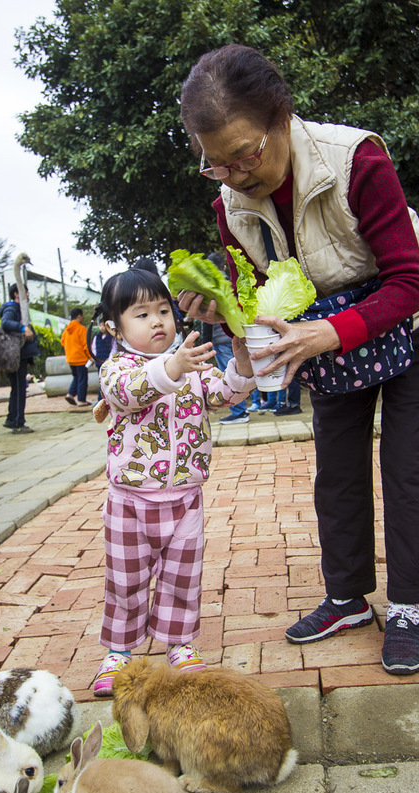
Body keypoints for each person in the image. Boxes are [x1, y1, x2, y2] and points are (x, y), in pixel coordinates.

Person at [179, 44, 419, 676]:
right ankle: (347, 598)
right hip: (326, 329)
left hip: (416, 314)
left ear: (281, 119)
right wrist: (219, 306)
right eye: (215, 164)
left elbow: (408, 283)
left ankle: (411, 604)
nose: (233, 175)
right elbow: (252, 294)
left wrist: (329, 333)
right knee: (335, 463)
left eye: (245, 154)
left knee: (408, 463)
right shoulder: (232, 205)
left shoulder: (356, 159)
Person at [92, 267, 254, 695]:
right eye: (142, 314)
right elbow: (128, 393)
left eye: (163, 310)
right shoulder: (116, 368)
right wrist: (172, 367)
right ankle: (119, 652)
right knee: (125, 579)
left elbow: (224, 395)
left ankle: (179, 644)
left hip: (185, 497)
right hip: (130, 500)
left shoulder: (192, 363)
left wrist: (240, 361)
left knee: (182, 576)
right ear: (114, 326)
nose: (159, 320)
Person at [206, 252, 249, 424]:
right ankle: (241, 410)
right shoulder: (232, 283)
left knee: (229, 376)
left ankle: (239, 411)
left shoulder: (211, 287)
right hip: (236, 336)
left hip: (220, 337)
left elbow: (207, 321)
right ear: (223, 267)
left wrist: (206, 342)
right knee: (240, 371)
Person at [0, 284, 39, 434]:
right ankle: (17, 421)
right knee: (19, 388)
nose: (27, 295)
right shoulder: (12, 308)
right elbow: (5, 322)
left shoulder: (20, 309)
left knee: (17, 387)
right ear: (17, 294)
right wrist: (23, 329)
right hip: (15, 355)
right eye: (25, 292)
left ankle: (12, 418)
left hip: (20, 355)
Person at [61, 308, 92, 406]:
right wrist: (90, 357)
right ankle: (81, 400)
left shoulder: (67, 329)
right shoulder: (81, 329)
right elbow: (85, 345)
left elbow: (62, 342)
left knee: (76, 377)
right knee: (82, 379)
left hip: (70, 359)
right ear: (79, 316)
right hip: (81, 359)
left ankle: (70, 394)